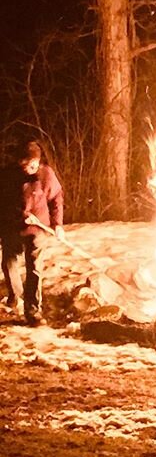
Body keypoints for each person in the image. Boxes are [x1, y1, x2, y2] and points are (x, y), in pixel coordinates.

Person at [0, 140, 64, 326]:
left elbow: (56, 199)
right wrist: (18, 215)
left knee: (34, 267)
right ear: (20, 162)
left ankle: (33, 310)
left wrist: (57, 224)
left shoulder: (46, 174)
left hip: (37, 229)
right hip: (12, 228)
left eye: (34, 164)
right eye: (27, 164)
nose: (31, 168)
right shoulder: (7, 176)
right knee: (9, 263)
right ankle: (16, 295)